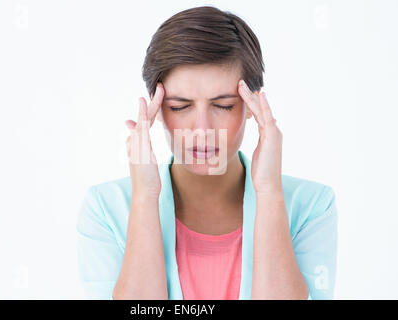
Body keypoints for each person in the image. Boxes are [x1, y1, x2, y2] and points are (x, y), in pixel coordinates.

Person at [76, 5, 338, 300]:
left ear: (253, 106)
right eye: (180, 106)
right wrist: (144, 197)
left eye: (223, 105)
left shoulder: (312, 206)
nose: (202, 129)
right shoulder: (105, 210)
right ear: (157, 109)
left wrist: (268, 192)